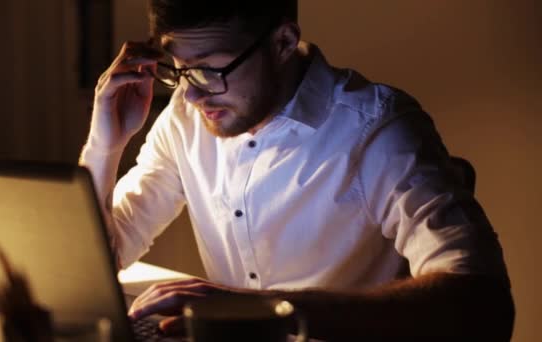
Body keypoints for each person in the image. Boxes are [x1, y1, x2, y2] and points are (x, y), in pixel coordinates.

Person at [79, 0, 514, 339]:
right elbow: (98, 260)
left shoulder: (376, 128)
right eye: (181, 69)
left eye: (211, 69)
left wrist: (266, 311)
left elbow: (482, 306)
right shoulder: (185, 117)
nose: (193, 95)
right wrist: (106, 144)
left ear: (284, 41)